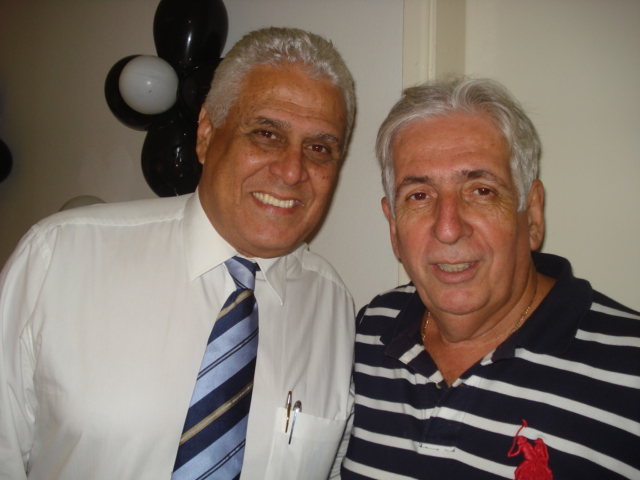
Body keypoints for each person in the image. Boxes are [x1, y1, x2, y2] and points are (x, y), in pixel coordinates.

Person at [0, 27, 356, 480]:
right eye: (266, 133)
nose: (291, 171)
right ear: (206, 133)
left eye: (319, 148)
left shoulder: (333, 307)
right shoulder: (59, 258)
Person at [341, 77, 640, 479]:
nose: (448, 228)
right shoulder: (367, 334)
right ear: (394, 228)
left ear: (532, 215)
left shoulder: (630, 372)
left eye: (481, 191)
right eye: (419, 195)